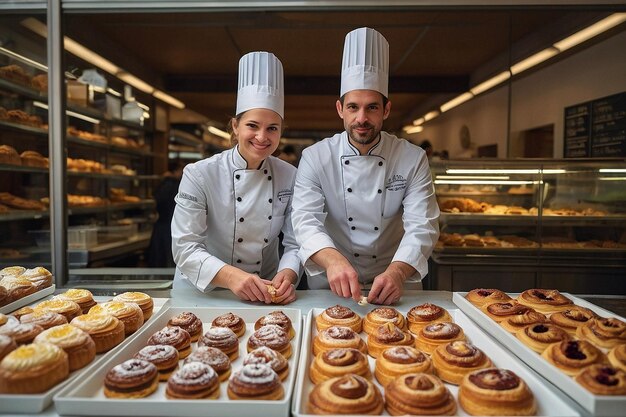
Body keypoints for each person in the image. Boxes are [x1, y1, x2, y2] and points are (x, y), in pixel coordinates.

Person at [291, 27, 440, 305]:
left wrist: (397, 272)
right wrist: (332, 260)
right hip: (331, 282)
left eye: (372, 107)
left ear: (386, 110)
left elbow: (423, 224)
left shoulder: (412, 157)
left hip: (396, 278)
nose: (362, 118)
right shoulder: (315, 156)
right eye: (353, 107)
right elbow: (304, 220)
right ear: (340, 109)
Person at [171, 51, 300, 304]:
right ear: (235, 126)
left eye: (272, 128)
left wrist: (288, 273)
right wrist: (231, 277)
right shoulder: (199, 174)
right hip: (203, 292)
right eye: (252, 125)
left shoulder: (290, 175)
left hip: (264, 292)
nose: (262, 137)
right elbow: (185, 247)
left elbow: (296, 242)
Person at [147, 160, 185, 267]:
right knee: (169, 260)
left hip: (161, 226)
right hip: (170, 227)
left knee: (159, 260)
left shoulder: (163, 183)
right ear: (176, 170)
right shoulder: (175, 185)